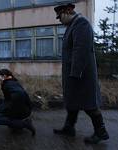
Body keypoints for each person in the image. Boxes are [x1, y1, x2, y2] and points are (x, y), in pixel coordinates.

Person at [53, 3, 109, 144]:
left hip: (82, 75)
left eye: (60, 17)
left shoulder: (81, 24)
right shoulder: (72, 26)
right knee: (73, 102)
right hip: (74, 73)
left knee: (89, 104)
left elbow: (81, 50)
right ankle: (69, 127)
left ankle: (101, 132)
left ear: (68, 11)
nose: (59, 20)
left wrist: (76, 73)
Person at [0, 69, 36, 136]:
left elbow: (19, 94)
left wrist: (9, 109)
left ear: (4, 76)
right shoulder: (12, 82)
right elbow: (11, 99)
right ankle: (16, 125)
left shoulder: (9, 84)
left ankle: (25, 124)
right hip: (25, 109)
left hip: (23, 111)